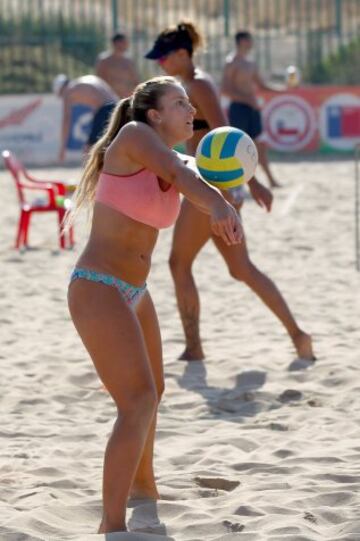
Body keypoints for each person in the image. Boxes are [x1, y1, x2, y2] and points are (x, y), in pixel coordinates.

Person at [66, 76, 242, 533]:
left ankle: (144, 487)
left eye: (190, 102)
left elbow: (197, 173)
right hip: (97, 285)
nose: (190, 109)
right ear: (154, 114)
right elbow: (184, 178)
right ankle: (111, 524)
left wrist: (244, 188)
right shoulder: (134, 137)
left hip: (134, 292)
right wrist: (218, 205)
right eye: (179, 102)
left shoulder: (176, 156)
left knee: (153, 394)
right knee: (138, 400)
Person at [145, 22, 315, 362]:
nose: (159, 64)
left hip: (212, 188)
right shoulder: (185, 86)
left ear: (181, 54)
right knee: (242, 270)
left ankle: (194, 347)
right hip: (216, 187)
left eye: (163, 57)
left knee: (179, 264)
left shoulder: (198, 84)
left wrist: (249, 182)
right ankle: (299, 336)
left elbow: (227, 136)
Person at [221, 30, 283, 189]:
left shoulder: (250, 63)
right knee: (239, 147)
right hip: (239, 109)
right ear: (241, 41)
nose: (251, 43)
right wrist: (247, 99)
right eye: (249, 40)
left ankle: (270, 179)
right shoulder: (231, 62)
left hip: (252, 109)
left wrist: (282, 89)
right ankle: (239, 181)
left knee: (260, 145)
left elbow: (261, 85)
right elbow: (225, 89)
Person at [53, 74, 118, 161]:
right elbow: (100, 99)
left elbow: (66, 119)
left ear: (61, 89)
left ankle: (94, 173)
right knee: (109, 143)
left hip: (105, 109)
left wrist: (62, 148)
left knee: (89, 148)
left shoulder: (68, 92)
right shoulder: (83, 81)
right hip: (116, 106)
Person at [95, 32, 140, 98]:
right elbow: (99, 80)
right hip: (108, 98)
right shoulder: (104, 61)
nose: (126, 45)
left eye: (126, 42)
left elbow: (135, 80)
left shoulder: (128, 61)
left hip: (125, 98)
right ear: (115, 43)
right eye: (123, 42)